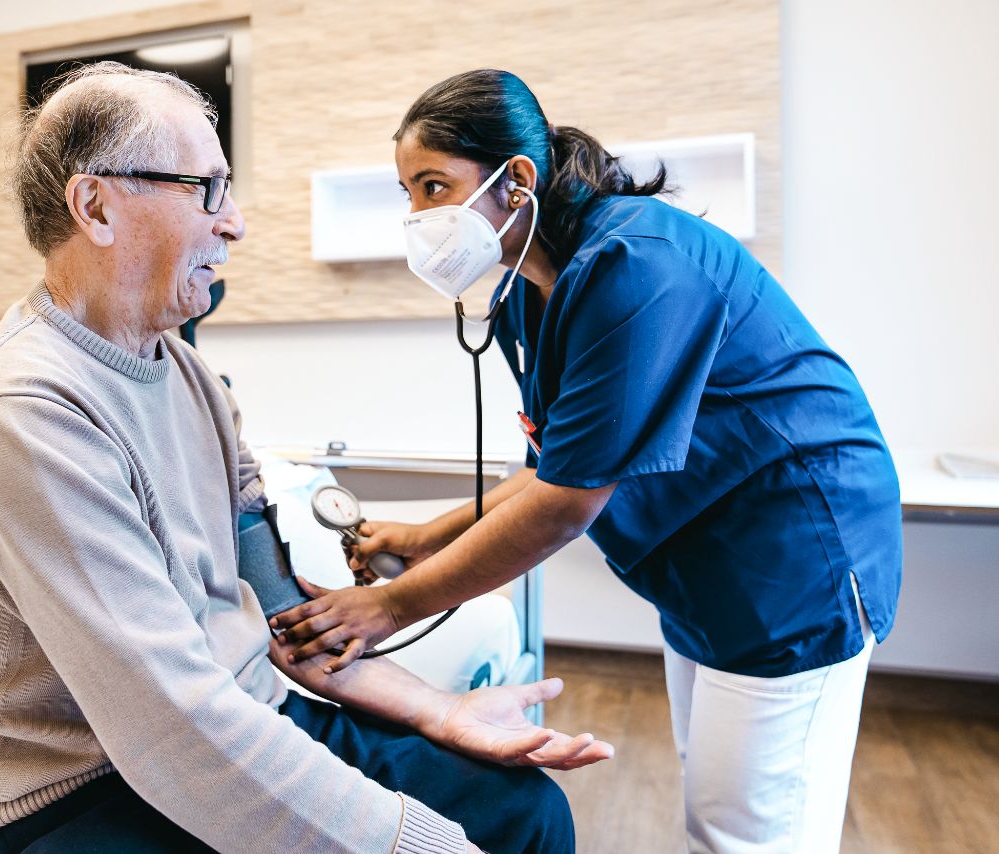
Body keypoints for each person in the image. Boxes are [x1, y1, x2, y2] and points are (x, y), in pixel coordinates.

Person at [0, 62, 614, 854]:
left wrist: (437, 711)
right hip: (69, 794)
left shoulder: (192, 376)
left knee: (525, 815)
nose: (235, 222)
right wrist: (416, 844)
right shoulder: (21, 410)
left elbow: (286, 621)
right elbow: (166, 718)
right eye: (207, 188)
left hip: (233, 714)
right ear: (96, 205)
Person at [273, 68, 903, 854]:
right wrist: (425, 535)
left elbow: (568, 501)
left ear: (517, 181)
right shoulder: (531, 293)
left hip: (792, 555)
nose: (417, 217)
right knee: (714, 794)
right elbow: (555, 464)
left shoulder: (639, 265)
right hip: (705, 565)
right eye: (408, 194)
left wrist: (391, 608)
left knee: (752, 832)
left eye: (433, 187)